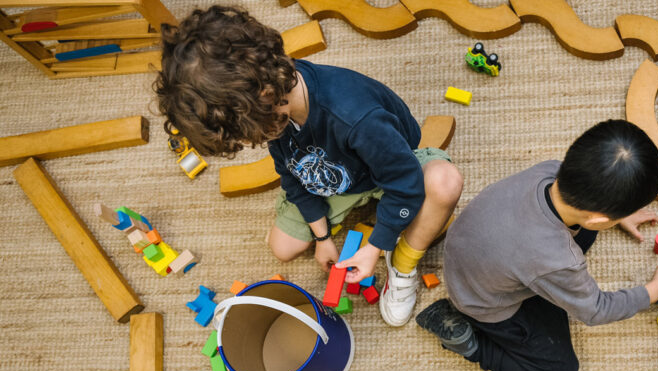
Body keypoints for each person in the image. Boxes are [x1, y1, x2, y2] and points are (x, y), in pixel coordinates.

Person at [154, 5, 462, 326]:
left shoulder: (356, 118)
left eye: (251, 136)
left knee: (445, 182)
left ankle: (402, 264)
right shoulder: (270, 103)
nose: (253, 142)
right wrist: (322, 237)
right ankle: (354, 218)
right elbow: (291, 175)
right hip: (337, 177)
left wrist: (376, 247)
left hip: (388, 171)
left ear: (267, 94)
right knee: (282, 247)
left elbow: (404, 184)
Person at [415, 119, 658, 371]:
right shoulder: (559, 262)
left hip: (472, 252)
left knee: (577, 237)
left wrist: (615, 216)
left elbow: (568, 231)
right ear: (598, 218)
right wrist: (652, 291)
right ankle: (469, 345)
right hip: (481, 302)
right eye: (618, 215)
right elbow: (596, 310)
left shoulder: (549, 170)